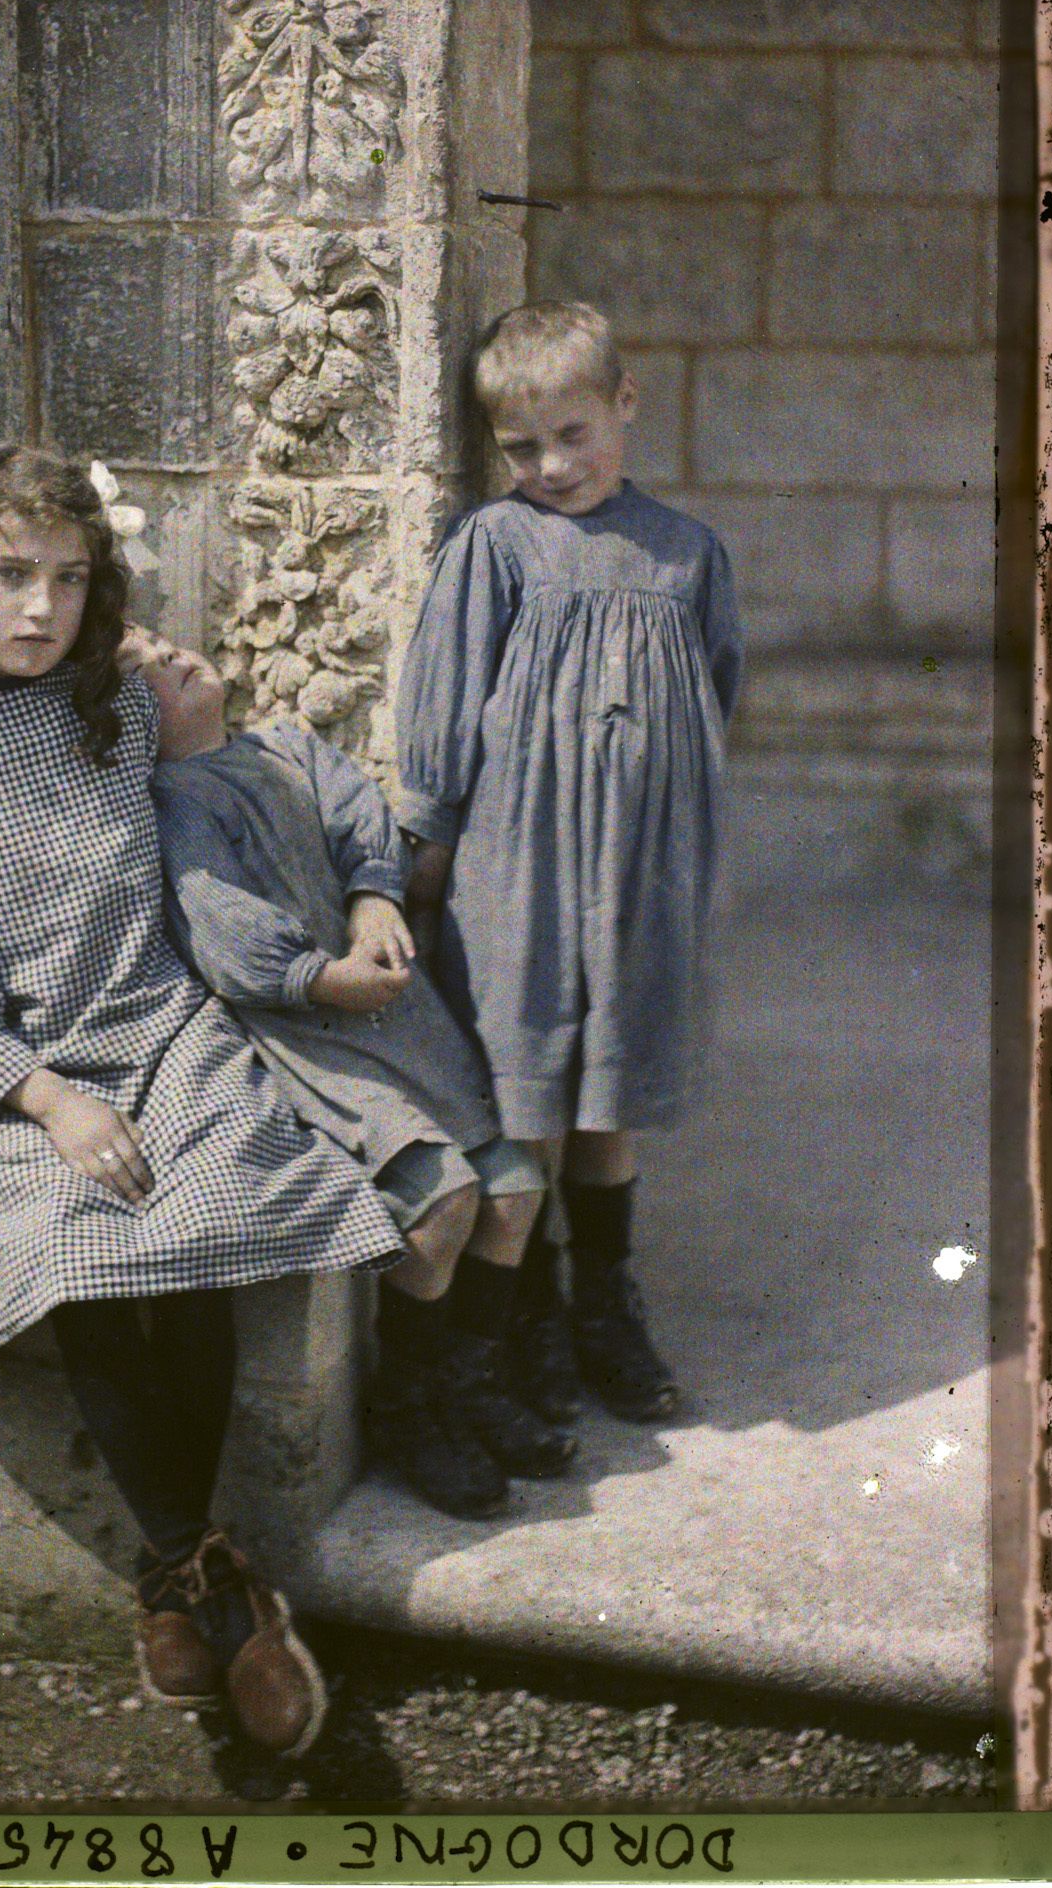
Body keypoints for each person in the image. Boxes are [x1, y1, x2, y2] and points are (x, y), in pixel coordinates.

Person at [0, 445, 407, 1758]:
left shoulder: (113, 710)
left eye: (66, 578)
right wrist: (44, 1101)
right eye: (6, 577)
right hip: (29, 1070)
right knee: (79, 1246)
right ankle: (206, 1577)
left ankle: (180, 1581)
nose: (38, 609)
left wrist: (203, 733)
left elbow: (256, 804)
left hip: (165, 1030)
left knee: (201, 1216)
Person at [119, 626, 577, 1523]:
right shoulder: (176, 804)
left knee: (516, 1187)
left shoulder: (283, 748)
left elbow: (357, 814)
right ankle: (408, 1401)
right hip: (311, 1027)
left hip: (391, 1007)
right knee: (443, 1199)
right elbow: (222, 934)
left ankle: (468, 1376)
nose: (172, 658)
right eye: (144, 671)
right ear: (129, 720)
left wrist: (372, 897)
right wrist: (321, 977)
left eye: (165, 645)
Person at [396, 302, 743, 1424]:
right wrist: (428, 856)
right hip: (523, 864)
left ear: (625, 404)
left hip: (640, 866)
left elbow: (715, 693)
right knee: (526, 1087)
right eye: (523, 446)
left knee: (610, 1095)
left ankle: (604, 1303)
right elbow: (444, 708)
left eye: (575, 434)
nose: (552, 465)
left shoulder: (687, 553)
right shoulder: (494, 546)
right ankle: (526, 1314)